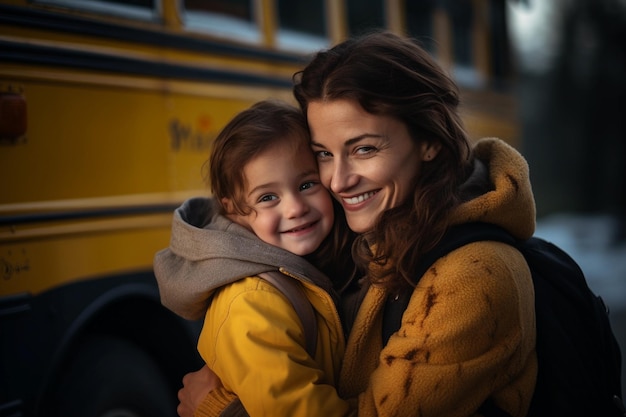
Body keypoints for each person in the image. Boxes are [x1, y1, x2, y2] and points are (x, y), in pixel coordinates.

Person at [176, 30, 538, 417]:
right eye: (324, 154)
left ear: (429, 141)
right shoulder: (362, 241)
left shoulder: (473, 277)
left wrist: (221, 410)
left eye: (364, 149)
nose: (338, 180)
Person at [153, 100, 358, 417]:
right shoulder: (252, 303)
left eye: (306, 184)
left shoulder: (309, 267)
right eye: (268, 197)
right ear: (234, 209)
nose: (294, 208)